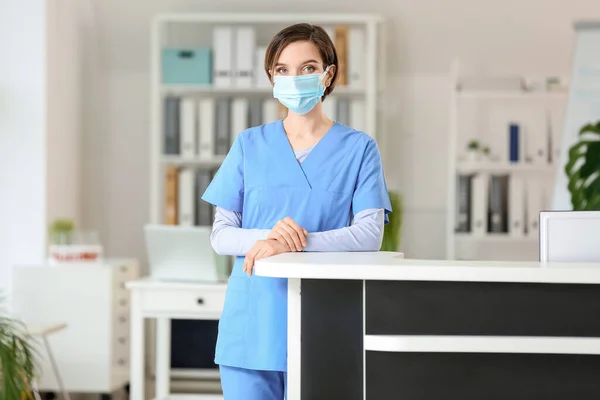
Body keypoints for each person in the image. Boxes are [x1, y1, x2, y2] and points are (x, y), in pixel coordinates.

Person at [201, 22, 392, 400]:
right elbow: (221, 234)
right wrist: (272, 238)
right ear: (272, 76)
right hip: (253, 321)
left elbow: (370, 234)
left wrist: (294, 244)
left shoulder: (359, 149)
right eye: (283, 69)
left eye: (307, 68)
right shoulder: (249, 145)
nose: (295, 77)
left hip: (326, 320)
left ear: (328, 74)